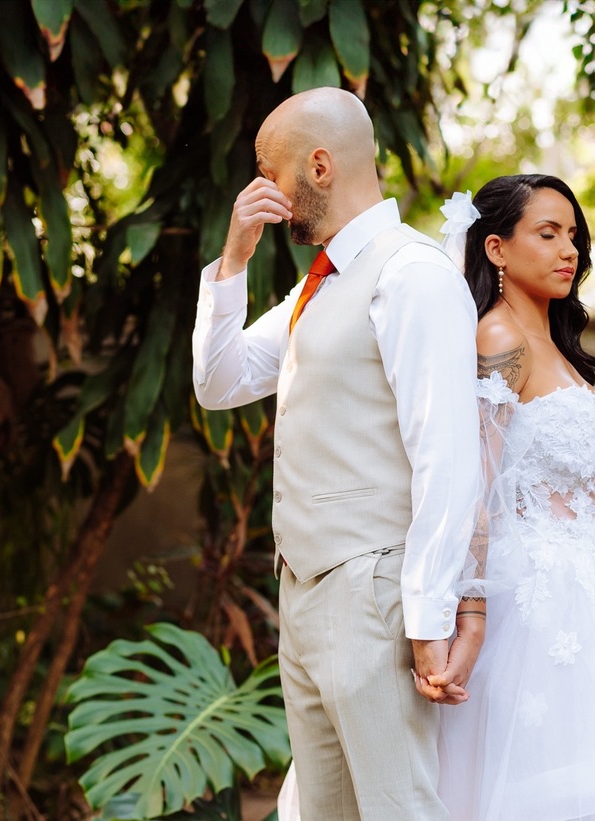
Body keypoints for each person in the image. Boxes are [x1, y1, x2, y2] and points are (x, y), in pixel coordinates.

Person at [191, 87, 484, 821]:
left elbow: (446, 456)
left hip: (375, 596)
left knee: (397, 809)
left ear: (318, 166)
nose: (261, 190)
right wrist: (235, 258)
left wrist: (426, 617)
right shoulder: (318, 286)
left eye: (269, 171)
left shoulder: (410, 274)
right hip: (306, 596)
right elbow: (220, 380)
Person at [434, 174, 595, 820]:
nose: (568, 251)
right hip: (528, 607)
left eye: (573, 236)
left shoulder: (562, 349)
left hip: (593, 601)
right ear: (495, 248)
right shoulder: (499, 340)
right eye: (547, 233)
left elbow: (567, 490)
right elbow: (474, 486)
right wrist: (466, 617)